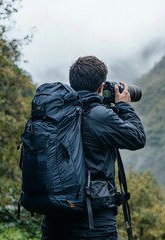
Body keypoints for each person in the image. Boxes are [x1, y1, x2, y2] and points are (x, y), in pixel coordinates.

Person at [41, 56, 146, 240]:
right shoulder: (99, 115)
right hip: (93, 222)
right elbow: (137, 138)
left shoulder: (54, 112)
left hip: (54, 219)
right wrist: (123, 106)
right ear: (100, 86)